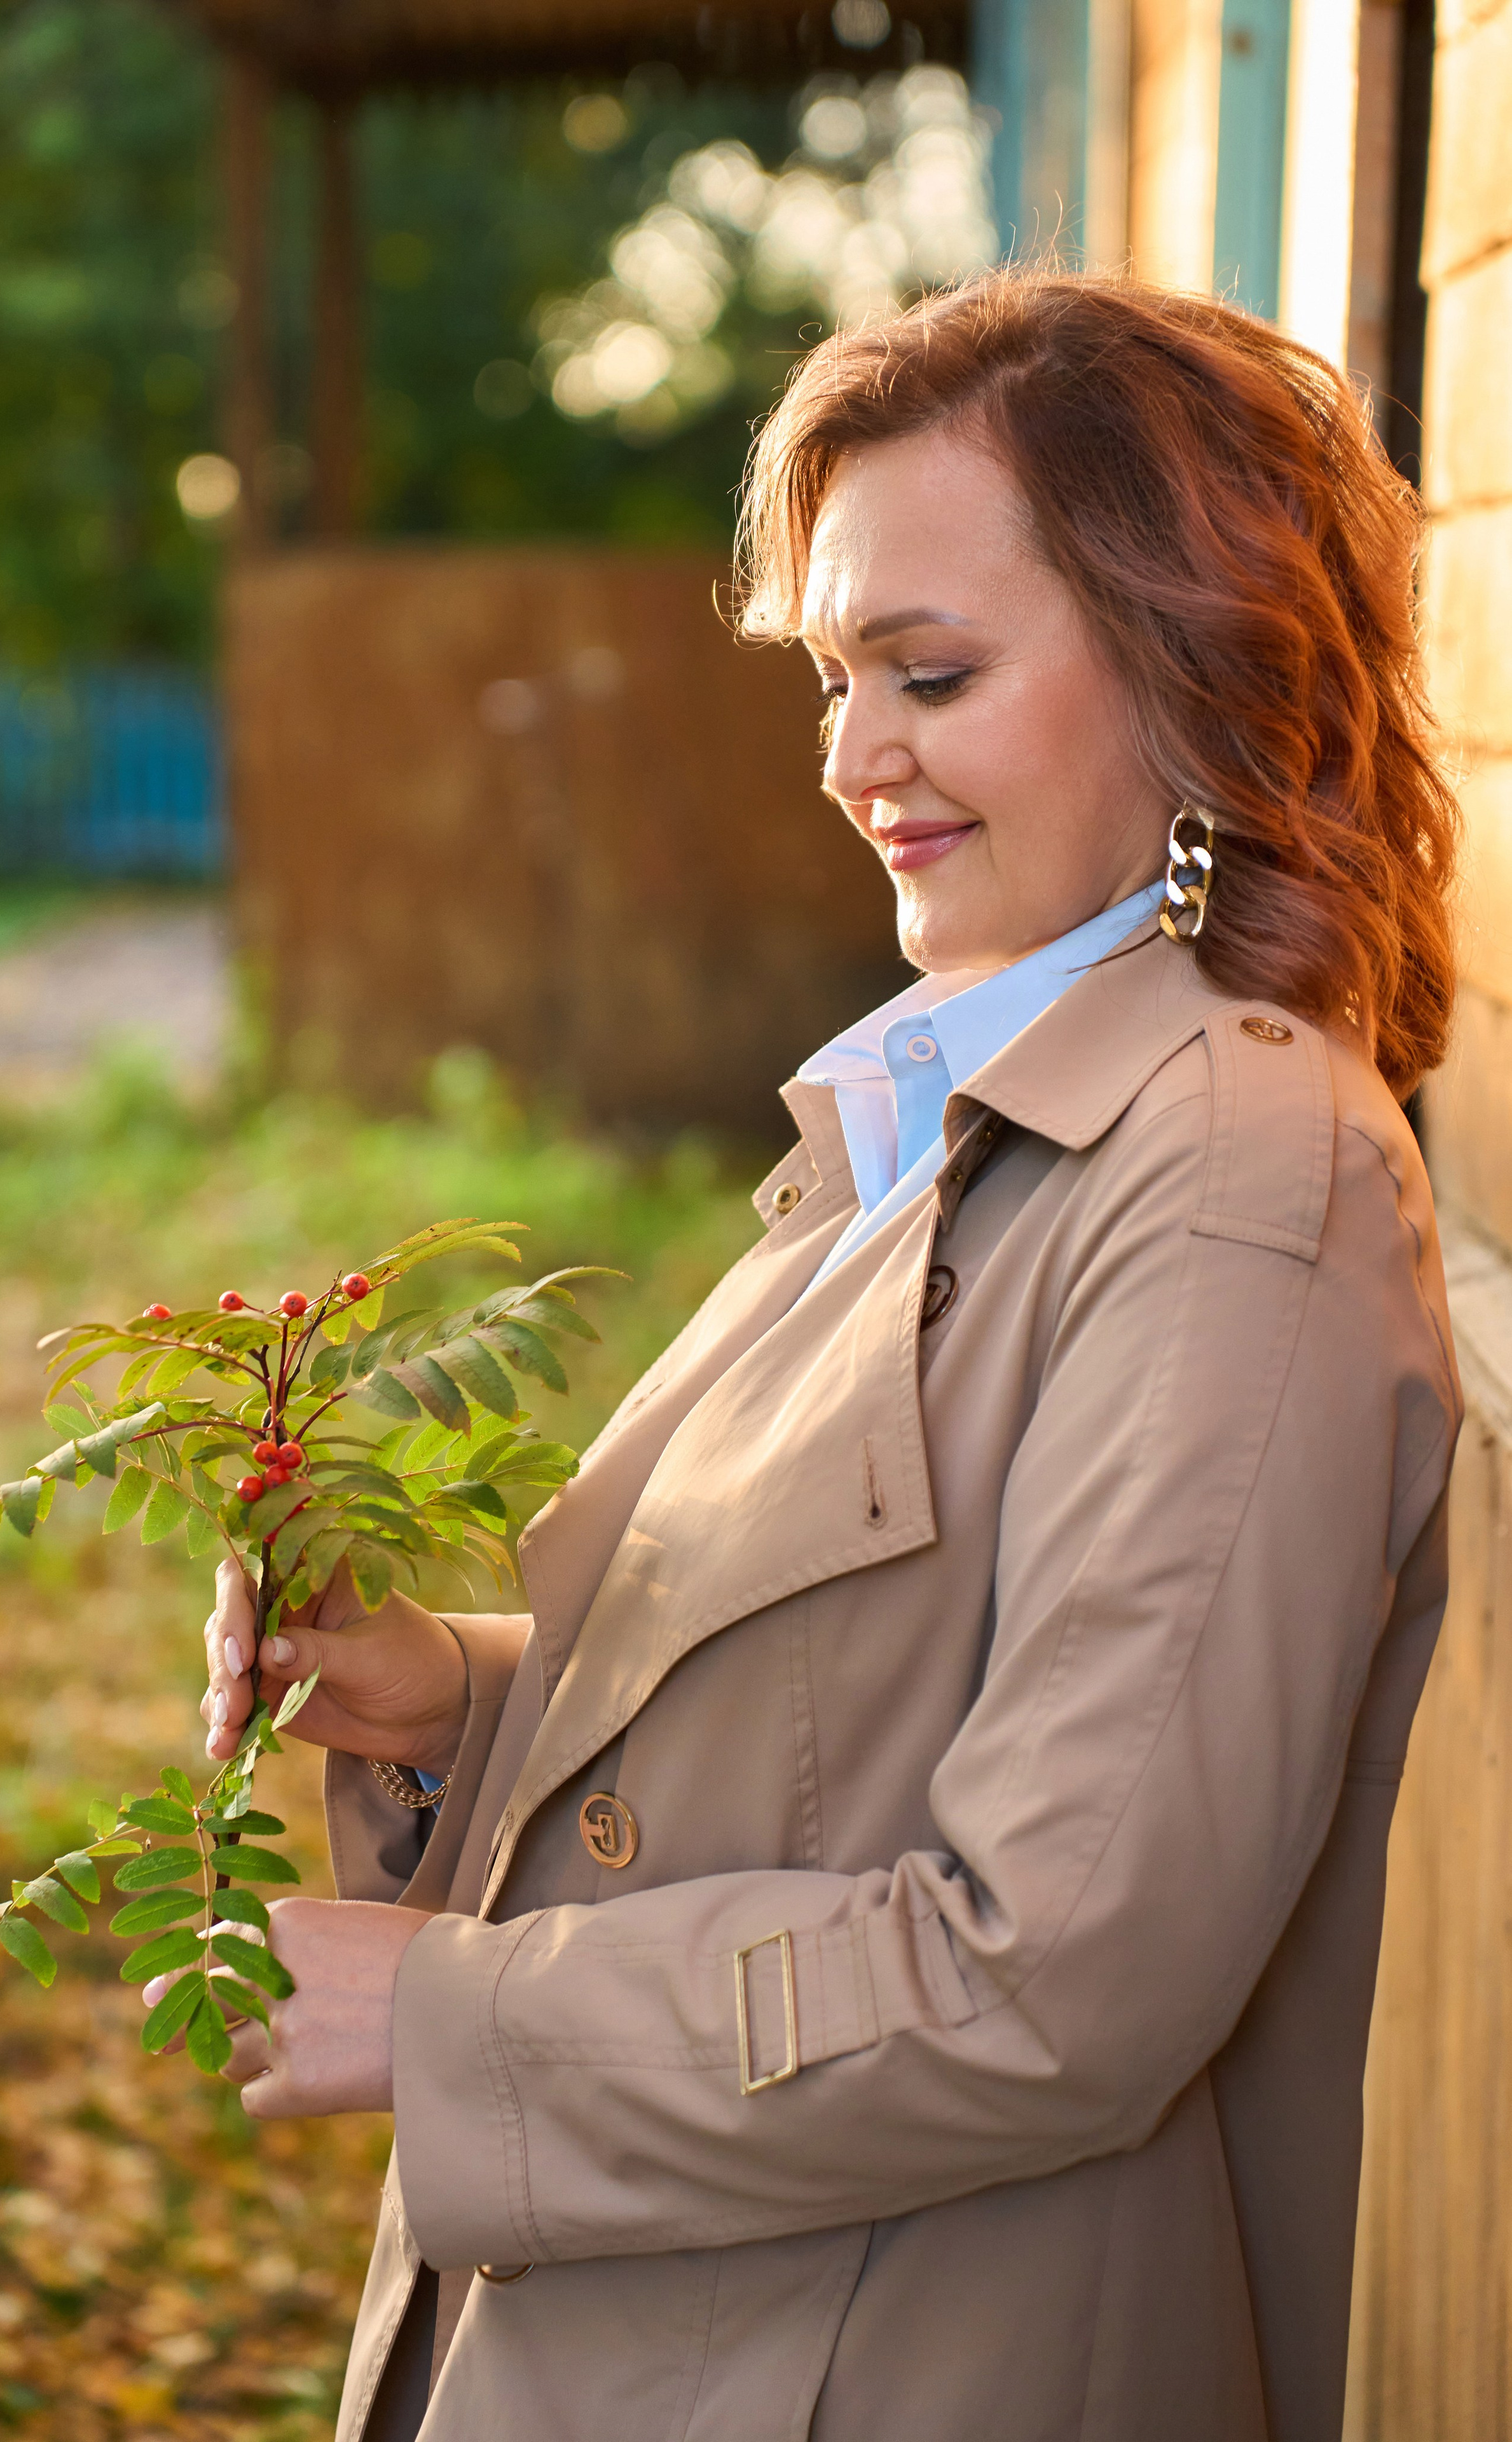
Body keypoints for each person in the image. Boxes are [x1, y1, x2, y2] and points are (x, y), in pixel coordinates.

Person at [192, 272, 1462, 2441]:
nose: (852, 761)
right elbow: (837, 1717)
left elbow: (1063, 1975)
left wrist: (457, 2018)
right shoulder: (928, 1111)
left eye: (931, 674)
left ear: (1194, 667)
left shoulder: (1242, 1168)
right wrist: (449, 1705)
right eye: (835, 674)